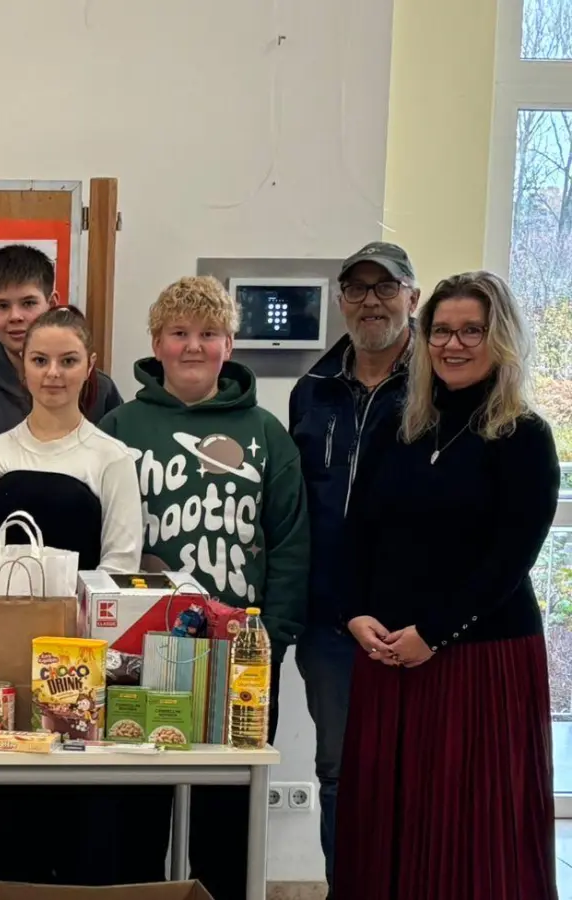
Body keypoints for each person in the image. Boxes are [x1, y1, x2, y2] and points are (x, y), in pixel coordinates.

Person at [335, 272, 558, 900]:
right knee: (385, 819)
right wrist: (355, 614)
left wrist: (433, 633)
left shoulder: (524, 437)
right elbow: (356, 533)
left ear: (502, 339)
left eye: (471, 331)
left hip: (479, 661)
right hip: (387, 655)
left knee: (471, 827)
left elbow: (509, 560)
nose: (453, 345)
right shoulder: (399, 428)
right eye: (441, 331)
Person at [97, 275, 308, 899]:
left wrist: (275, 634)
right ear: (156, 343)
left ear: (230, 343)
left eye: (208, 334)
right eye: (179, 334)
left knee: (227, 809)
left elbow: (291, 539)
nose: (194, 347)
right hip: (140, 648)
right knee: (135, 808)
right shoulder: (119, 426)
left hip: (239, 648)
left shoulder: (266, 433)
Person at [0, 306, 141, 885]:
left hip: (80, 668)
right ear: (22, 368)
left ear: (90, 368)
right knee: (9, 829)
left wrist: (76, 651)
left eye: (67, 361)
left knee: (84, 832)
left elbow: (119, 568)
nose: (53, 373)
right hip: (4, 667)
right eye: (40, 360)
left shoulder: (110, 458)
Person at [287, 241, 419, 895]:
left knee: (416, 775)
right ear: (341, 301)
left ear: (412, 298)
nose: (371, 301)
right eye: (358, 289)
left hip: (418, 625)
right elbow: (301, 510)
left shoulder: (441, 385)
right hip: (332, 622)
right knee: (338, 770)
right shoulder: (313, 390)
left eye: (386, 287)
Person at [0, 244, 122, 552]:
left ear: (52, 302)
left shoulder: (99, 390)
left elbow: (117, 506)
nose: (16, 317)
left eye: (28, 302)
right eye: (2, 306)